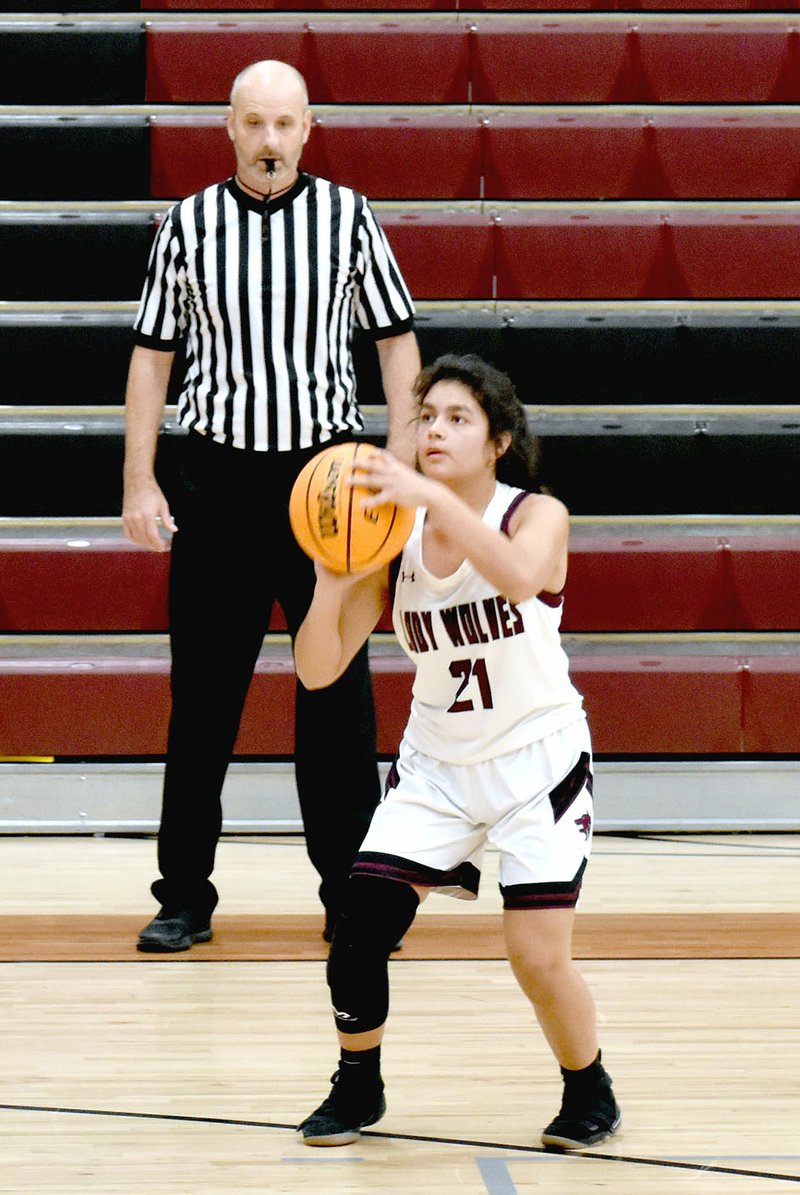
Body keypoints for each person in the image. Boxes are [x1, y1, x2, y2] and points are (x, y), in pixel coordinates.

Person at [122, 59, 421, 952]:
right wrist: (141, 479)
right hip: (216, 480)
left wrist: (400, 471)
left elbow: (398, 342)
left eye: (285, 124)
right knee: (203, 698)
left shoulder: (349, 217)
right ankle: (184, 892)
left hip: (326, 483)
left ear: (308, 128)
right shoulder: (188, 224)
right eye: (254, 124)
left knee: (339, 702)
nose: (270, 141)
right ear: (228, 128)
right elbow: (151, 358)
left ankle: (352, 891)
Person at [292, 354, 621, 1151]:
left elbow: (513, 579)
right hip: (438, 766)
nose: (436, 429)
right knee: (358, 922)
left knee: (536, 954)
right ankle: (358, 1083)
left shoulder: (536, 515)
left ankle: (590, 1089)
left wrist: (430, 495)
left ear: (498, 440)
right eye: (427, 416)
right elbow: (317, 667)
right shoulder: (392, 534)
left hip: (535, 764)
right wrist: (332, 578)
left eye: (457, 419)